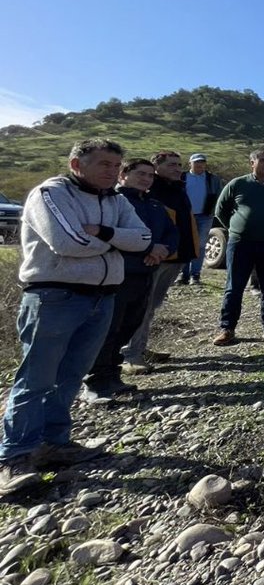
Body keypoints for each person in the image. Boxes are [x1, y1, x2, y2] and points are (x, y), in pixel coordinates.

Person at [0, 140, 150, 498]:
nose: (112, 171)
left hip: (102, 298)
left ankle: (54, 443)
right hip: (54, 296)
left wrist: (104, 233)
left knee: (70, 376)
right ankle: (15, 456)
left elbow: (143, 238)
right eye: (103, 164)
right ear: (76, 164)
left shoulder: (117, 199)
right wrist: (117, 242)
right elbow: (67, 243)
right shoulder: (49, 193)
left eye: (116, 165)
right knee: (36, 377)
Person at [83, 158, 177, 402]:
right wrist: (147, 250)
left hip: (146, 274)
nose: (146, 179)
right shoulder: (113, 202)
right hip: (117, 275)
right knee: (108, 329)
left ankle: (112, 375)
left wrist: (162, 250)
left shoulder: (155, 205)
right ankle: (94, 382)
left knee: (128, 325)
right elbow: (111, 236)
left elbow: (170, 232)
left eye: (150, 175)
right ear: (123, 174)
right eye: (141, 174)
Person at [212, 147, 264, 346]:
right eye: (263, 160)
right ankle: (227, 328)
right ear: (252, 163)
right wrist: (236, 228)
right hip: (241, 243)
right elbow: (221, 210)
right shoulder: (237, 184)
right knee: (234, 287)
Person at [123, 150, 199, 370]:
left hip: (176, 256)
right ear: (157, 167)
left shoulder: (177, 187)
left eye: (179, 164)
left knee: (152, 305)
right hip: (154, 257)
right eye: (172, 165)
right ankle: (130, 355)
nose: (178, 168)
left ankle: (139, 348)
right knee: (142, 306)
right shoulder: (149, 191)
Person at [179, 152, 223, 286]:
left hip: (205, 216)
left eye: (202, 162)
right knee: (184, 244)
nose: (199, 165)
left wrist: (215, 211)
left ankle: (195, 275)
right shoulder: (182, 177)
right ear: (190, 164)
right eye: (197, 162)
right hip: (185, 216)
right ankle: (183, 274)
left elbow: (220, 195)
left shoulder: (212, 179)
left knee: (200, 245)